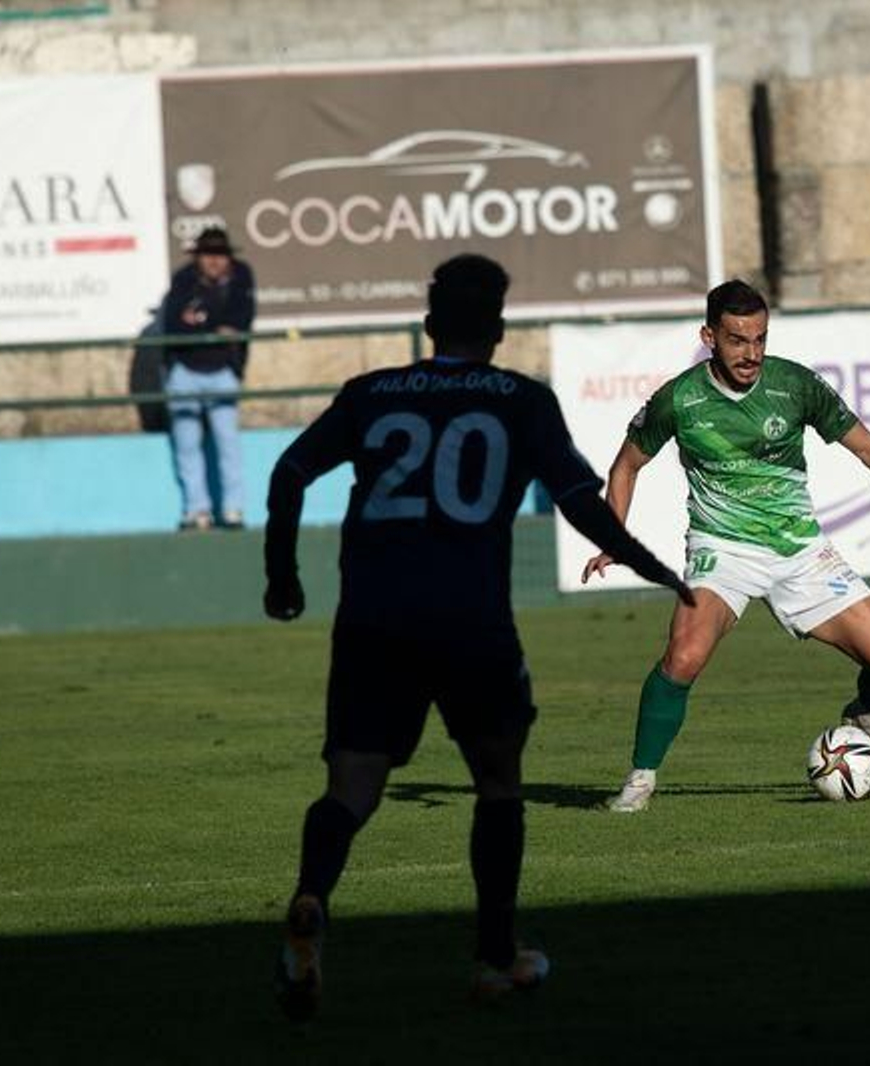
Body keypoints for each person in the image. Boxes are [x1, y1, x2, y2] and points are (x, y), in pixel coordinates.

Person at [263, 254, 693, 1021]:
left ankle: (311, 899)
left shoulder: (370, 393)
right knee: (498, 784)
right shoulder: (522, 400)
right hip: (470, 621)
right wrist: (650, 565)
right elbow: (578, 499)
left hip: (373, 619)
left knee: (351, 789)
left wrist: (282, 576)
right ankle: (495, 961)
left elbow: (290, 472)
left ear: (429, 325)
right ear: (497, 330)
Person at [582, 279, 870, 812]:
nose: (751, 353)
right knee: (684, 656)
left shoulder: (795, 385)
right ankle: (640, 780)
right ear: (709, 337)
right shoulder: (679, 399)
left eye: (759, 339)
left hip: (801, 552)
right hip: (723, 550)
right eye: (737, 340)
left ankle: (865, 715)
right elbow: (626, 467)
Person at [162, 226, 256, 530]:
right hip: (185, 371)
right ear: (197, 258)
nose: (214, 261)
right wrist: (214, 328)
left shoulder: (242, 276)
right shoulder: (183, 280)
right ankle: (196, 511)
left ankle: (232, 510)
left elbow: (243, 318)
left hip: (223, 371)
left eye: (220, 254)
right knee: (187, 444)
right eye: (207, 254)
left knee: (228, 443)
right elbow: (173, 326)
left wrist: (204, 324)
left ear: (229, 258)